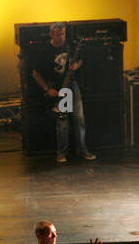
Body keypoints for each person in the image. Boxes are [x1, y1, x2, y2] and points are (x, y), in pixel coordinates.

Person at [29, 22, 96, 164]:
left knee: (79, 118)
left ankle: (82, 149)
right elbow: (35, 73)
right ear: (51, 34)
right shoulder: (46, 50)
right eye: (58, 34)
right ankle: (61, 153)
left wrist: (77, 65)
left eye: (63, 33)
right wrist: (47, 89)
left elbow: (80, 60)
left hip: (71, 85)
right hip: (58, 88)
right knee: (62, 120)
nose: (61, 37)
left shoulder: (70, 46)